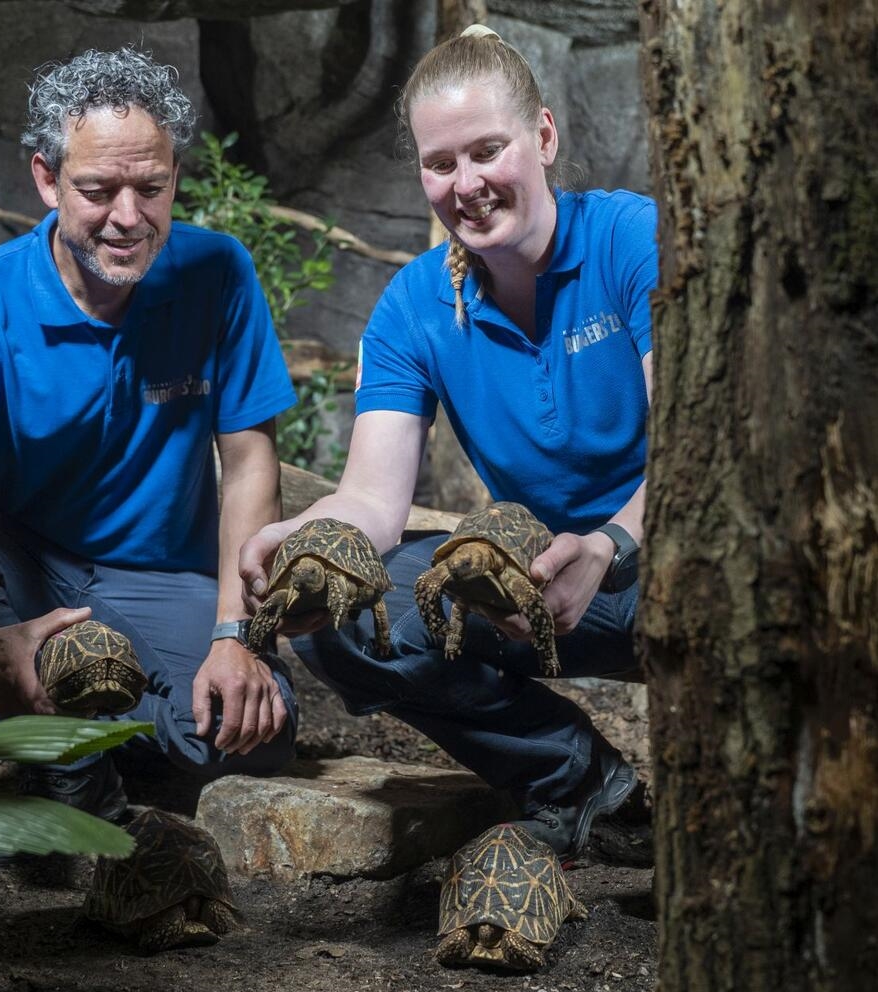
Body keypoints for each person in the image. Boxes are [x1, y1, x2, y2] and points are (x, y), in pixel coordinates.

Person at [239, 25, 653, 862]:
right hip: (530, 585)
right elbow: (373, 497)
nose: (466, 185)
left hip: (666, 559)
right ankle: (586, 787)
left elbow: (697, 447)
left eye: (487, 150)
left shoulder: (632, 240)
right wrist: (317, 542)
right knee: (350, 616)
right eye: (439, 163)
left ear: (542, 136)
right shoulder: (414, 306)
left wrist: (610, 546)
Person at [0, 47, 299, 821]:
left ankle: (71, 733)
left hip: (154, 572)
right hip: (18, 559)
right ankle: (57, 735)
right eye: (97, 189)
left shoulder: (219, 275)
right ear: (46, 180)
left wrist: (233, 633)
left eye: (151, 188)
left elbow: (249, 464)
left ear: (176, 174)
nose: (127, 217)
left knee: (259, 724)